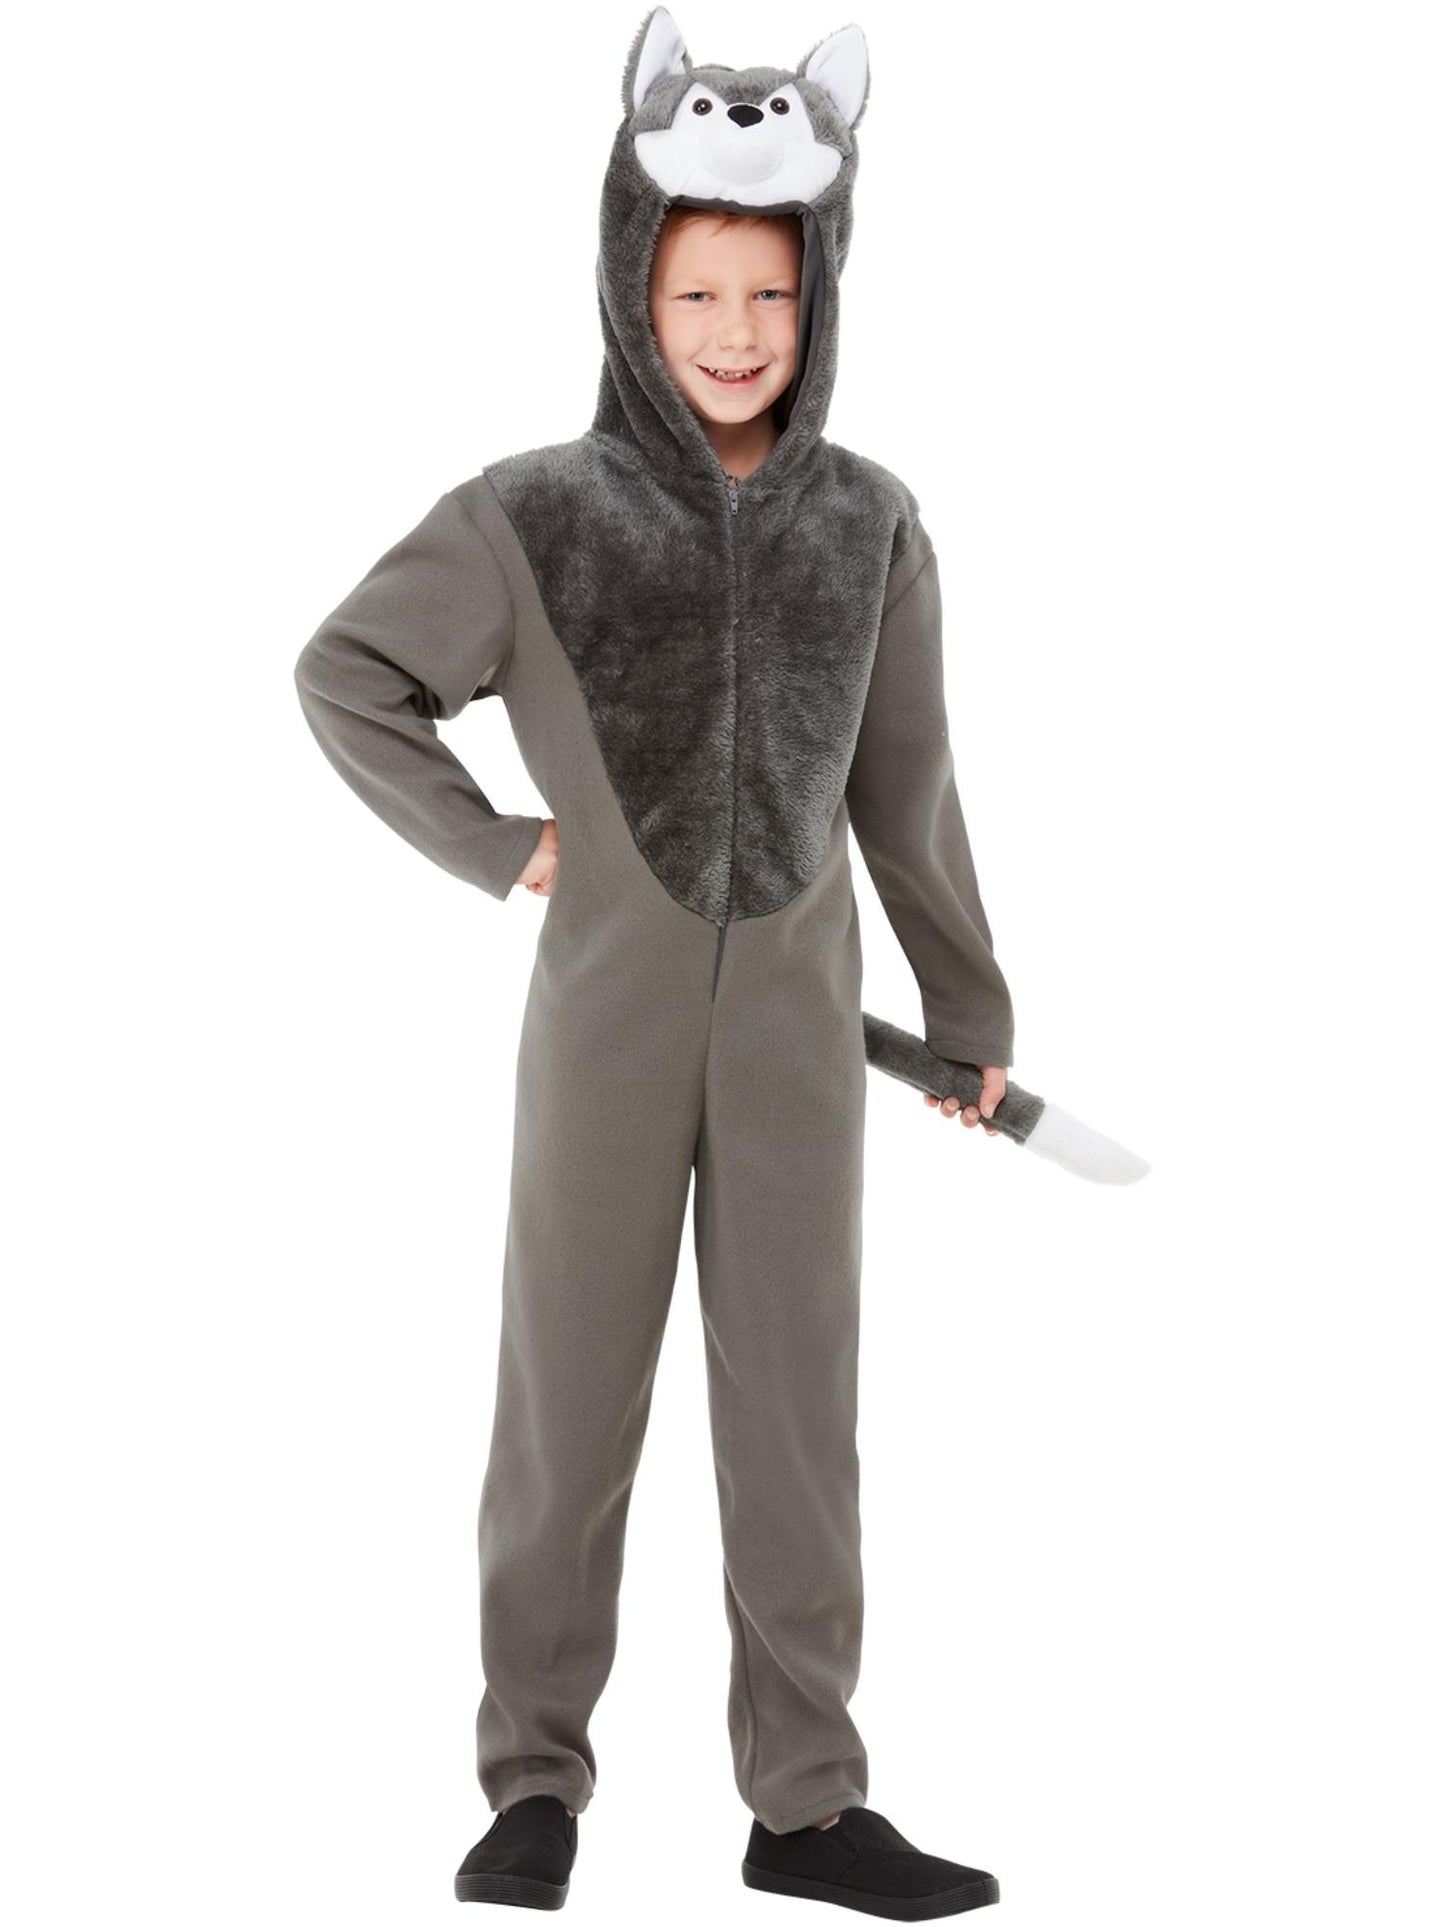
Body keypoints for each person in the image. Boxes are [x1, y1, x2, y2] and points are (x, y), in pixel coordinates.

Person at [293, 9, 1013, 1916]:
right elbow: (347, 675)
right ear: (632, 284)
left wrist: (966, 1015)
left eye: (768, 291)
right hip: (601, 1028)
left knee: (795, 1417)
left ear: (820, 290)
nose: (733, 330)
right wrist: (497, 843)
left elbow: (910, 790)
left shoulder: (870, 524)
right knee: (567, 1402)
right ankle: (533, 1782)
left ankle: (808, 1809)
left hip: (797, 1038)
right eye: (695, 289)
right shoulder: (532, 510)